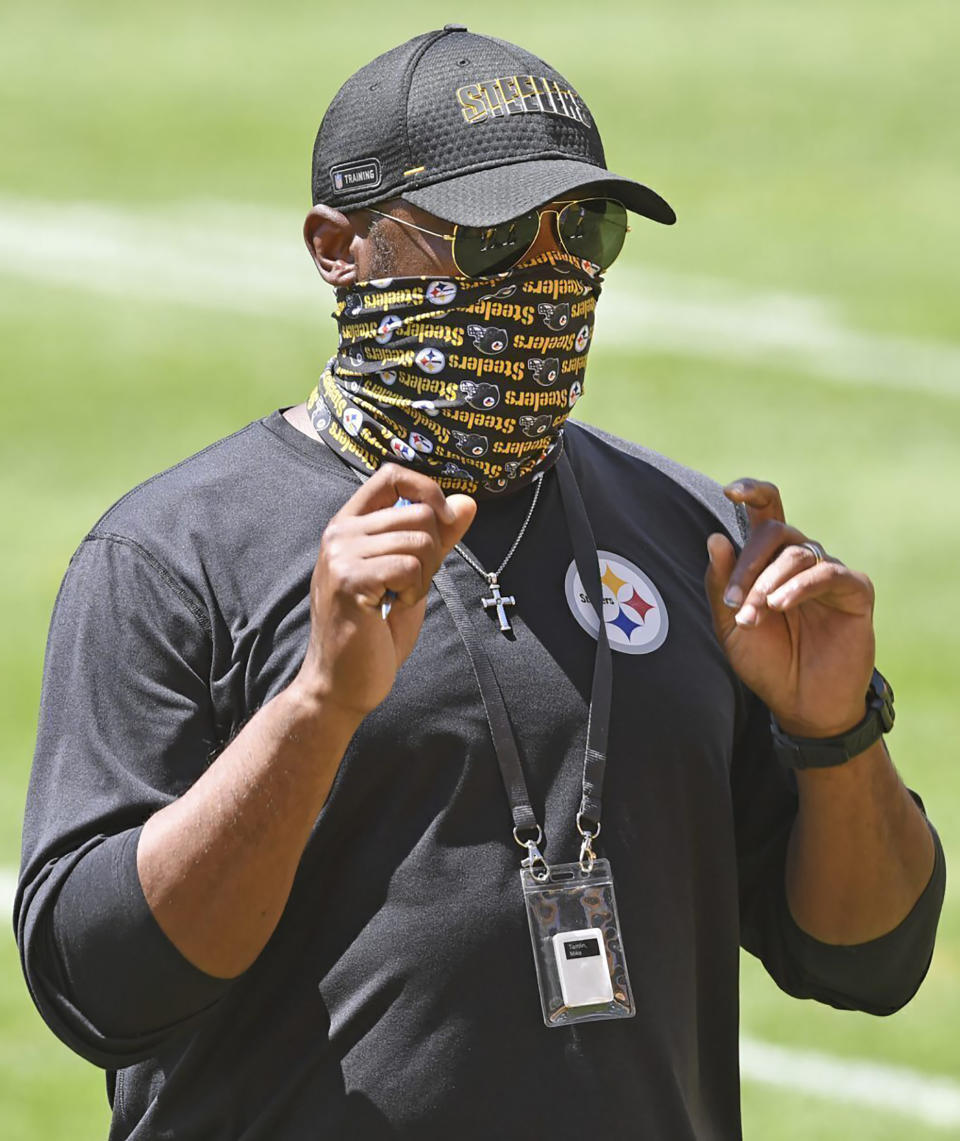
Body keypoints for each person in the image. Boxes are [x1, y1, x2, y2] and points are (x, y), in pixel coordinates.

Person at [16, 24, 944, 1140]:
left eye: (584, 231)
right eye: (498, 238)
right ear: (338, 247)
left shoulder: (692, 537)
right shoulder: (174, 556)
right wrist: (318, 706)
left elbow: (868, 957)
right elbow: (100, 987)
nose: (552, 276)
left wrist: (837, 736)